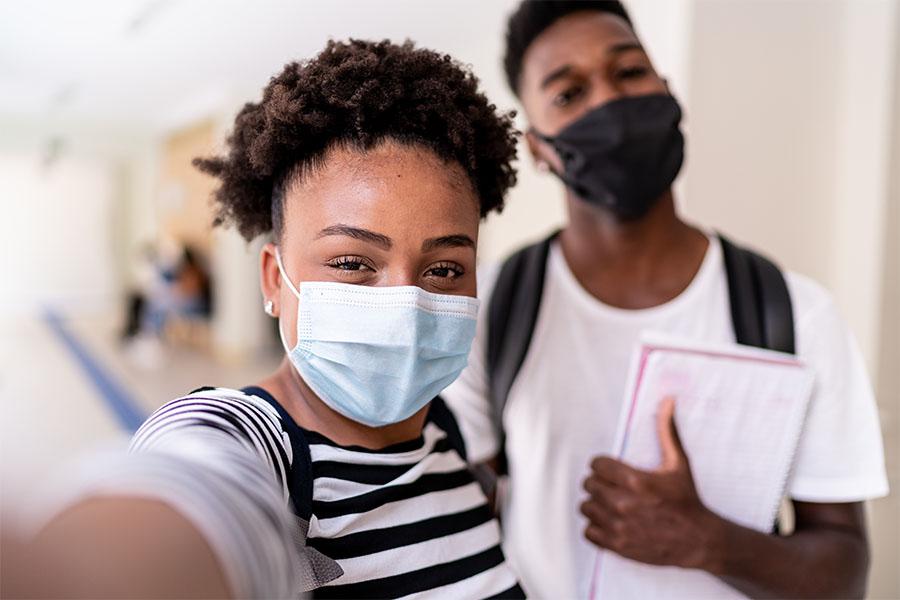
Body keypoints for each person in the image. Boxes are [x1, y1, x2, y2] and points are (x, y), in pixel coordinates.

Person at [10, 39, 525, 599]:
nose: (406, 305)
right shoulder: (249, 446)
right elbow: (182, 505)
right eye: (352, 262)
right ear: (274, 279)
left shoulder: (452, 436)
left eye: (446, 269)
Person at [440, 1, 889, 598]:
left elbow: (845, 574)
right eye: (569, 93)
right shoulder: (488, 308)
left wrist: (707, 541)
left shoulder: (796, 314)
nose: (610, 102)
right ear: (540, 148)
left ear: (669, 94)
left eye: (629, 72)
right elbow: (455, 527)